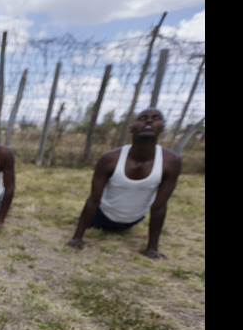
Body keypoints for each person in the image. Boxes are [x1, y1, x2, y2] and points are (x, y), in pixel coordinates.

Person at [67, 108, 182, 259]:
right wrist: (77, 237)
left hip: (133, 220)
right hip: (101, 216)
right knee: (96, 219)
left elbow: (160, 206)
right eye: (142, 118)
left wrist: (152, 248)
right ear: (132, 128)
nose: (149, 121)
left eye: (155, 118)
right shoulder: (110, 159)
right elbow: (94, 199)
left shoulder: (171, 161)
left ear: (162, 127)